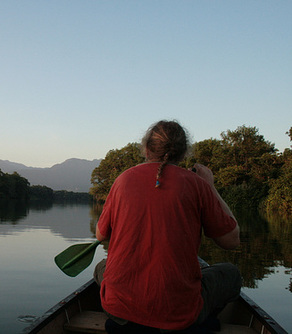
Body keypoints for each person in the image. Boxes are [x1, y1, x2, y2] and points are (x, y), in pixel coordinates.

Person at [93, 120, 242, 333]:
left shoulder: (123, 180)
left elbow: (100, 235)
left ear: (146, 149)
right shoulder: (197, 184)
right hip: (177, 312)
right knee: (232, 274)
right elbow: (231, 240)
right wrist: (211, 186)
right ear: (183, 153)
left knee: (101, 267)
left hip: (120, 312)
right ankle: (204, 322)